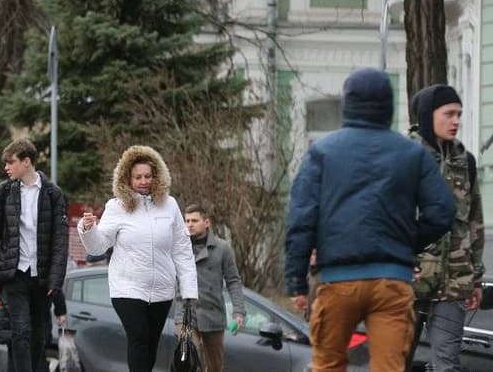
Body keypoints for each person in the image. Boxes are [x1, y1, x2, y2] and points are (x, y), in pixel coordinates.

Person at [285, 67, 456, 372]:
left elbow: (301, 218)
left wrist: (296, 280)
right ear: (388, 104)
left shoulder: (322, 152)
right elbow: (442, 210)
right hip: (392, 280)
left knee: (327, 364)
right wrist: (407, 243)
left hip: (337, 280)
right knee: (389, 367)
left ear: (348, 102)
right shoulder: (412, 153)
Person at [78, 145, 197, 372]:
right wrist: (87, 228)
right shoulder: (117, 207)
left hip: (162, 290)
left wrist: (189, 290)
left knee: (150, 345)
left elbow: (182, 250)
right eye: (137, 177)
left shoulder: (170, 205)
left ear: (156, 176)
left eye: (147, 176)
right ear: (127, 178)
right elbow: (99, 245)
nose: (143, 181)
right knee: (139, 337)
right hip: (127, 288)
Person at [405, 84, 486, 372]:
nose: (456, 121)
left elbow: (474, 221)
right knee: (394, 363)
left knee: (446, 366)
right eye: (449, 114)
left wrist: (475, 278)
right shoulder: (403, 156)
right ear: (429, 115)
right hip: (407, 283)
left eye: (459, 114)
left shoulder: (466, 161)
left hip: (454, 284)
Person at [0, 138, 69, 372]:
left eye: (10, 162)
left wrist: (56, 279)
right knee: (20, 331)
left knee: (39, 335)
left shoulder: (53, 193)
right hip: (14, 274)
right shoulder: (3, 192)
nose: (6, 168)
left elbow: (61, 240)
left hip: (41, 276)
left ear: (26, 162)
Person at [173, 204, 245, 372]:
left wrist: (239, 311)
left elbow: (233, 281)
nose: (189, 224)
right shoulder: (179, 247)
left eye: (194, 220)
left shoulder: (222, 248)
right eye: (187, 220)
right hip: (186, 313)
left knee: (214, 366)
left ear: (206, 222)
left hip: (213, 314)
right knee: (189, 356)